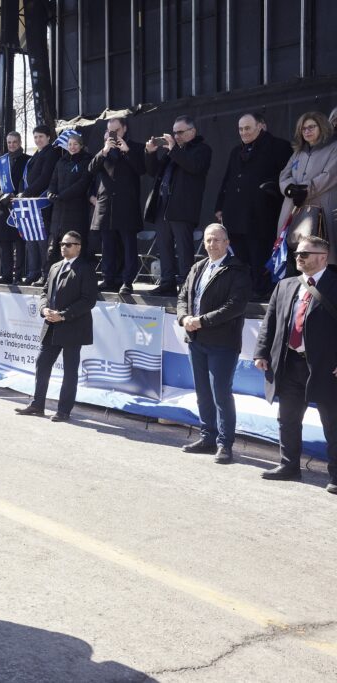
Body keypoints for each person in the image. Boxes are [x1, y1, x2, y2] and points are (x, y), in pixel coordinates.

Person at [254, 236, 337, 490]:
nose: (298, 258)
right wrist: (261, 352)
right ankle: (289, 466)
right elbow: (270, 322)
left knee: (333, 422)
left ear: (323, 257)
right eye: (297, 253)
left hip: (325, 366)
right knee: (287, 418)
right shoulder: (286, 285)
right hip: (289, 363)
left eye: (305, 254)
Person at [175, 225, 252, 463]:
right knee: (202, 393)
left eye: (217, 240)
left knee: (221, 393)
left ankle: (225, 444)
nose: (212, 244)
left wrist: (202, 321)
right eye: (208, 240)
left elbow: (235, 306)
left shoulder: (238, 269)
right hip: (196, 341)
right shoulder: (198, 267)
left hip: (222, 342)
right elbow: (182, 297)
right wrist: (184, 318)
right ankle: (208, 437)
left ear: (227, 242)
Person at [15, 231, 97, 422]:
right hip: (51, 325)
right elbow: (44, 292)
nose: (63, 247)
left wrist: (63, 315)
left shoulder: (86, 269)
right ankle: (37, 404)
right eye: (62, 244)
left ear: (78, 247)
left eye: (68, 244)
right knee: (42, 364)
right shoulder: (55, 267)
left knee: (69, 371)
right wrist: (44, 310)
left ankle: (64, 410)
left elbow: (88, 300)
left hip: (73, 327)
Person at [214, 113, 291, 298]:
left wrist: (268, 191)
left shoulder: (279, 146)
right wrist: (219, 206)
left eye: (247, 128)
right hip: (235, 213)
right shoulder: (236, 151)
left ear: (260, 126)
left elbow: (285, 176)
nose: (243, 132)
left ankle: (261, 291)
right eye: (240, 129)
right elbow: (227, 179)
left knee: (259, 254)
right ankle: (243, 291)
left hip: (261, 213)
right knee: (239, 256)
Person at [144, 115, 213, 296]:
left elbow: (194, 167)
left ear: (192, 131)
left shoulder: (202, 149)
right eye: (174, 133)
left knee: (184, 249)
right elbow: (153, 172)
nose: (177, 136)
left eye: (180, 132)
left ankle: (186, 286)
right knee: (164, 246)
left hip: (183, 207)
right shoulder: (172, 152)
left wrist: (174, 149)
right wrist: (150, 153)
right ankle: (167, 283)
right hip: (163, 205)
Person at [88, 117, 145, 294]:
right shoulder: (104, 150)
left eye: (117, 130)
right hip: (106, 206)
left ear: (124, 129)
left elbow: (142, 170)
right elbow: (90, 169)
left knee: (128, 245)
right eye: (110, 131)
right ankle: (108, 278)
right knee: (108, 245)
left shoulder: (135, 147)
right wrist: (104, 150)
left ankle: (127, 281)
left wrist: (126, 151)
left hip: (126, 204)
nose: (114, 134)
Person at [276, 112, 337, 269]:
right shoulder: (298, 152)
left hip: (321, 209)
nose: (307, 131)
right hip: (294, 210)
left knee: (320, 256)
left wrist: (305, 190)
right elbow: (284, 175)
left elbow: (330, 175)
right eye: (304, 129)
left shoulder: (333, 147)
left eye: (311, 127)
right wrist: (290, 189)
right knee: (296, 257)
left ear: (321, 127)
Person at [16, 125, 59, 285]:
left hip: (41, 202)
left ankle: (44, 274)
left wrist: (26, 194)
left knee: (42, 239)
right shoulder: (35, 154)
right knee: (30, 239)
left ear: (48, 137)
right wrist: (21, 193)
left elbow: (45, 177)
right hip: (28, 203)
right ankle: (33, 272)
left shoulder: (52, 153)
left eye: (41, 136)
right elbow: (24, 178)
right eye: (35, 137)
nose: (38, 140)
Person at [45, 133, 93, 273]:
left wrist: (62, 196)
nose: (72, 147)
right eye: (70, 144)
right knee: (55, 241)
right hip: (59, 209)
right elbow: (53, 181)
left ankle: (75, 272)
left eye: (75, 144)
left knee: (73, 239)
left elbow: (83, 183)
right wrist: (51, 193)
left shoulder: (86, 160)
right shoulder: (61, 161)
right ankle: (52, 272)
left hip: (76, 208)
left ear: (81, 146)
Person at [0, 132, 30, 284]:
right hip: (3, 207)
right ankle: (6, 275)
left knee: (19, 242)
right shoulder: (1, 161)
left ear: (20, 142)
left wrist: (20, 195)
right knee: (4, 243)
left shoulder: (28, 160)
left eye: (15, 142)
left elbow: (28, 181)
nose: (12, 145)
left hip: (19, 205)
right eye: (9, 142)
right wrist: (1, 196)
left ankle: (18, 276)